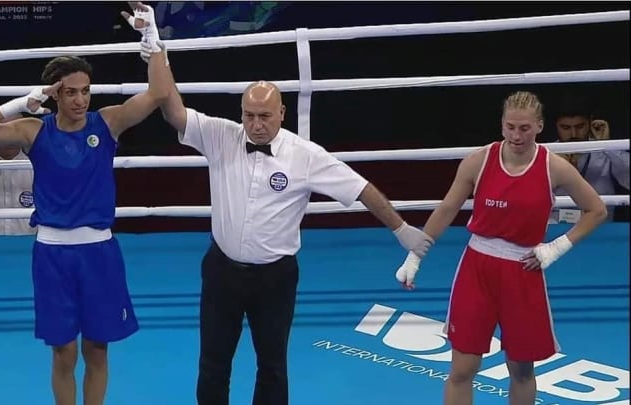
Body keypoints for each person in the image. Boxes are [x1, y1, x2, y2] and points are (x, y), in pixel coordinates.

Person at [127, 4, 434, 404]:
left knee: (272, 366)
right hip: (222, 272)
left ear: (282, 114)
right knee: (213, 363)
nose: (255, 124)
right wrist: (155, 44)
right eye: (249, 115)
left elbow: (361, 188)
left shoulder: (305, 154)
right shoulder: (221, 135)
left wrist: (401, 229)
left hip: (275, 280)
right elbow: (172, 109)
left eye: (264, 116)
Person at [0, 10, 169, 404]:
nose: (80, 99)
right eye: (70, 91)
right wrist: (20, 103)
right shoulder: (33, 130)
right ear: (54, 93)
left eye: (85, 90)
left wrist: (152, 41)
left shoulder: (107, 123)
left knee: (97, 350)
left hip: (99, 252)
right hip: (52, 253)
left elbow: (158, 94)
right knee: (64, 352)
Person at [394, 91, 607, 405]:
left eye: (524, 128)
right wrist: (416, 254)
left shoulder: (554, 167)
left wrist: (555, 247)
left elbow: (597, 210)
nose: (516, 135)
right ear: (502, 125)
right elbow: (448, 208)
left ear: (539, 126)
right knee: (462, 368)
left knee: (521, 369)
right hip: (477, 267)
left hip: (523, 269)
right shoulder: (479, 161)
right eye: (510, 127)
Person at [552, 95, 629, 222]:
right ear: (556, 126)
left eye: (580, 126)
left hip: (601, 229)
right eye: (565, 128)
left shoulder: (606, 152)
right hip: (555, 229)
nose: (573, 134)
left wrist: (606, 145)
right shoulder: (547, 154)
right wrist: (553, 169)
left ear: (590, 122)